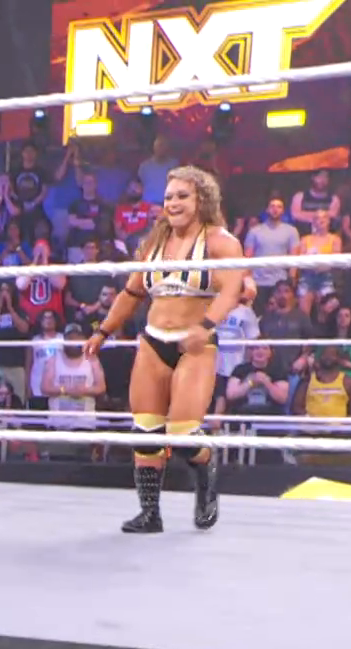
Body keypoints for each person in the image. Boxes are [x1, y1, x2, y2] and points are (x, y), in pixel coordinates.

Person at [84, 166, 246, 533]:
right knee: (145, 431)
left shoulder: (220, 242)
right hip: (153, 341)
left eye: (182, 196)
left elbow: (232, 290)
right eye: (169, 196)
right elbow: (131, 293)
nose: (173, 203)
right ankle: (149, 513)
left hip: (195, 345)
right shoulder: (153, 243)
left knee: (183, 433)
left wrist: (205, 326)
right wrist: (103, 331)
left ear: (202, 199)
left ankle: (206, 468)